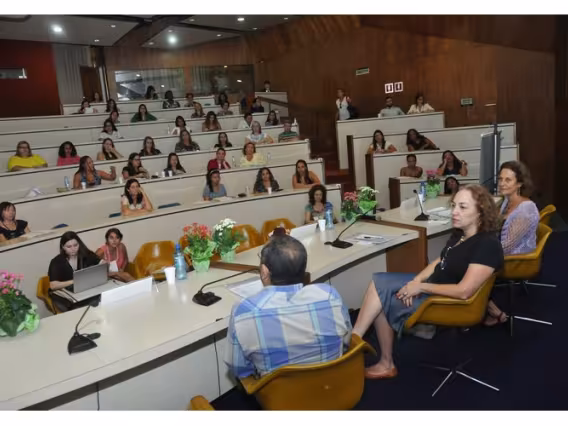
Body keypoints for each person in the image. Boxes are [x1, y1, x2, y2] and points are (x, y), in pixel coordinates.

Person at [352, 185, 504, 379]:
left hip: (450, 302)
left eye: (463, 207)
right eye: (454, 205)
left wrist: (420, 287)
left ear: (481, 211)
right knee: (378, 282)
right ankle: (357, 338)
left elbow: (464, 291)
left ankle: (380, 360)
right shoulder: (461, 234)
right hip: (436, 285)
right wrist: (415, 280)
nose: (454, 212)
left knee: (382, 297)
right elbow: (440, 261)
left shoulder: (487, 245)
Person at [224, 234, 352, 378]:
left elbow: (238, 367)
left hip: (279, 398)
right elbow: (346, 341)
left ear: (265, 272)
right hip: (334, 386)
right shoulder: (329, 295)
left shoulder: (245, 310)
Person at [484, 161, 540, 326]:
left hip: (515, 259)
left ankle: (495, 312)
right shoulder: (507, 202)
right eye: (500, 179)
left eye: (508, 180)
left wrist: (478, 249)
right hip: (505, 251)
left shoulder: (525, 209)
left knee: (464, 264)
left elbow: (507, 246)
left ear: (520, 183)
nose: (502, 183)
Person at [48, 231, 104, 312]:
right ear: (63, 247)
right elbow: (53, 285)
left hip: (83, 291)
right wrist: (74, 281)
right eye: (69, 246)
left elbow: (101, 263)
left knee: (100, 298)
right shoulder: (57, 262)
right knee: (88, 305)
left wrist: (104, 264)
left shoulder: (86, 254)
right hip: (64, 296)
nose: (73, 249)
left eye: (75, 245)